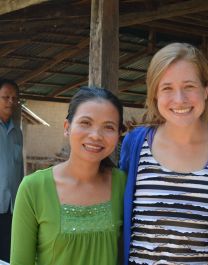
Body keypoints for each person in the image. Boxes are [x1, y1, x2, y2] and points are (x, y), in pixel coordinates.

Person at [120, 43, 208, 265]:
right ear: (155, 94)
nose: (179, 99)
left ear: (206, 90)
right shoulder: (135, 144)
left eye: (189, 86)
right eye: (167, 88)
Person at [10, 87, 126, 265]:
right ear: (67, 127)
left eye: (108, 127)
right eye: (86, 123)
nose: (95, 136)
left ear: (118, 135)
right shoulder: (33, 188)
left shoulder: (123, 184)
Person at [0, 79, 23, 263]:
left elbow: (19, 167)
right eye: (5, 97)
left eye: (14, 98)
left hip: (12, 205)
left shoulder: (17, 131)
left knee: (8, 253)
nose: (10, 102)